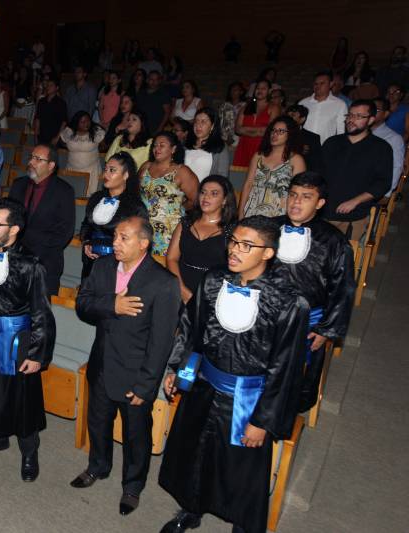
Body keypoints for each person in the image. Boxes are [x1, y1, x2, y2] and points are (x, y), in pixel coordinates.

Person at [158, 215, 309, 533]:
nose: (234, 250)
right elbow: (190, 329)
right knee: (196, 452)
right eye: (233, 241)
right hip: (204, 384)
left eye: (246, 245)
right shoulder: (213, 281)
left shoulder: (288, 301)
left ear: (268, 253)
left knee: (241, 470)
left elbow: (286, 367)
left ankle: (242, 525)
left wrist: (262, 420)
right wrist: (178, 370)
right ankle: (191, 508)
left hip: (248, 399)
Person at [71, 214, 180, 516]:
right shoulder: (103, 266)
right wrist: (112, 305)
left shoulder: (164, 283)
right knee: (98, 423)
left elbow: (161, 343)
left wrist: (147, 385)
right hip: (102, 364)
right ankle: (98, 466)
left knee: (135, 435)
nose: (115, 243)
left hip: (135, 374)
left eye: (123, 238)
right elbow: (83, 304)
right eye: (115, 236)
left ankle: (132, 486)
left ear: (144, 243)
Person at [0, 197, 55, 483]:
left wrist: (36, 354)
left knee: (21, 398)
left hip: (19, 340)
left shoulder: (31, 264)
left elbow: (42, 312)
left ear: (13, 229)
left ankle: (29, 452)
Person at [273, 172, 355, 413]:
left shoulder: (334, 241)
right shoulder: (269, 228)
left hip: (309, 323)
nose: (296, 202)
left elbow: (343, 288)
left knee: (296, 382)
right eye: (293, 195)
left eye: (306, 197)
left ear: (319, 204)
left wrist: (327, 329)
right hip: (266, 316)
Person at [8, 144, 76, 296]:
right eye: (31, 157)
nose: (31, 162)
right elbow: (9, 219)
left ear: (51, 165)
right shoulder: (18, 185)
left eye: (38, 159)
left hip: (44, 264)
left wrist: (28, 244)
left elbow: (64, 233)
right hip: (13, 260)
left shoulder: (64, 191)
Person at [322, 100, 392, 241]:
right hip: (323, 212)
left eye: (359, 116)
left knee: (344, 258)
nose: (351, 120)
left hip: (353, 216)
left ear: (371, 120)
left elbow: (383, 183)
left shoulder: (380, 148)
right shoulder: (332, 142)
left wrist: (355, 201)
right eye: (350, 115)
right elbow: (318, 173)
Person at [166, 176, 237, 303]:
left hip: (213, 292)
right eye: (203, 192)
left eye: (214, 193)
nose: (206, 197)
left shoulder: (232, 231)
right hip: (178, 284)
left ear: (225, 200)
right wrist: (182, 291)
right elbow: (171, 259)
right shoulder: (186, 223)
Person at [80, 152, 146, 280]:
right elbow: (86, 225)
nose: (106, 174)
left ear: (126, 175)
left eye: (112, 170)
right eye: (105, 170)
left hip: (118, 266)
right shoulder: (96, 198)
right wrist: (87, 242)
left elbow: (140, 243)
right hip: (91, 264)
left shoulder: (135, 207)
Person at [139, 131, 199, 254]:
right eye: (155, 145)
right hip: (144, 226)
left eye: (162, 145)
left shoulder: (181, 171)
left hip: (169, 229)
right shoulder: (146, 167)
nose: (157, 148)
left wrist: (177, 207)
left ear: (173, 149)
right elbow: (135, 192)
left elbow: (196, 200)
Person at [239, 116, 306, 218]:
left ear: (290, 135)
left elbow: (298, 192)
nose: (275, 134)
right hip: (252, 210)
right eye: (273, 130)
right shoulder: (258, 156)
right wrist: (240, 213)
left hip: (279, 213)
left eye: (281, 131)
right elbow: (248, 185)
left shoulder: (296, 160)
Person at [232, 80, 278, 167]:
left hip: (262, 147)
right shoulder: (245, 107)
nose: (259, 90)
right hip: (244, 147)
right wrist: (258, 131)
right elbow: (237, 129)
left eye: (263, 88)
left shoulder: (274, 108)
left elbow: (270, 130)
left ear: (269, 91)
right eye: (258, 88)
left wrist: (246, 129)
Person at [59, 111, 106, 194]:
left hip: (91, 171)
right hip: (72, 169)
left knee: (88, 196)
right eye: (82, 122)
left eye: (88, 121)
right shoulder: (69, 131)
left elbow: (104, 146)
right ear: (76, 123)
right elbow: (62, 142)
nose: (86, 124)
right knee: (71, 195)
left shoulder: (96, 131)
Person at [299, 71, 347, 144]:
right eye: (316, 84)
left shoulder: (340, 104)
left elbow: (341, 131)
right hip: (303, 147)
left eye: (322, 83)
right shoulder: (303, 103)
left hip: (325, 148)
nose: (318, 86)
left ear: (330, 84)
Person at [184, 108, 230, 181]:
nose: (198, 125)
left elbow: (222, 177)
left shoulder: (220, 147)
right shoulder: (185, 145)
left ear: (212, 126)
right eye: (196, 121)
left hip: (206, 190)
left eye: (203, 122)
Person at [371, 97, 406, 193]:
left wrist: (385, 194)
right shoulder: (358, 133)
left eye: (376, 110)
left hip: (373, 190)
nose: (371, 112)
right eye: (370, 109)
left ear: (385, 114)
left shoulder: (393, 138)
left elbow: (396, 168)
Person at [286, 104, 323, 173]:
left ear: (302, 119)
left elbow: (316, 165)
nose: (288, 119)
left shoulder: (312, 138)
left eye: (292, 116)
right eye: (287, 116)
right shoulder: (278, 134)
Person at [135, 70, 171, 137]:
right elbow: (137, 111)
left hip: (155, 129)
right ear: (147, 80)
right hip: (141, 128)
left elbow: (167, 112)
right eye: (151, 79)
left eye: (156, 80)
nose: (154, 82)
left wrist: (160, 128)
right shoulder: (141, 93)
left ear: (159, 81)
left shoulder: (163, 93)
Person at [35, 78, 68, 145]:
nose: (48, 87)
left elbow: (64, 122)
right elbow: (37, 118)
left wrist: (57, 137)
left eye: (51, 85)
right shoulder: (41, 101)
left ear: (57, 88)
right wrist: (35, 135)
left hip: (53, 137)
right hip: (41, 136)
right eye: (47, 85)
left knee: (51, 155)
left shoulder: (61, 103)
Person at [218, 82, 246, 148]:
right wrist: (225, 137)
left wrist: (234, 137)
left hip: (239, 138)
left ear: (241, 92)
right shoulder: (224, 105)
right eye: (232, 90)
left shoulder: (245, 106)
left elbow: (245, 123)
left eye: (236, 90)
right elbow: (221, 122)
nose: (233, 92)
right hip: (224, 139)